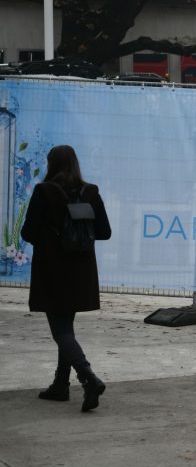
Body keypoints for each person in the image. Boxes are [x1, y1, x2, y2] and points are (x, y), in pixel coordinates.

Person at [21, 145, 112, 412]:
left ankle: (88, 377)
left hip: (53, 269)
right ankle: (61, 385)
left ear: (51, 164)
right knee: (66, 329)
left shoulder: (44, 191)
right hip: (81, 271)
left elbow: (28, 233)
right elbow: (104, 232)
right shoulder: (91, 192)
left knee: (60, 331)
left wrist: (51, 237)